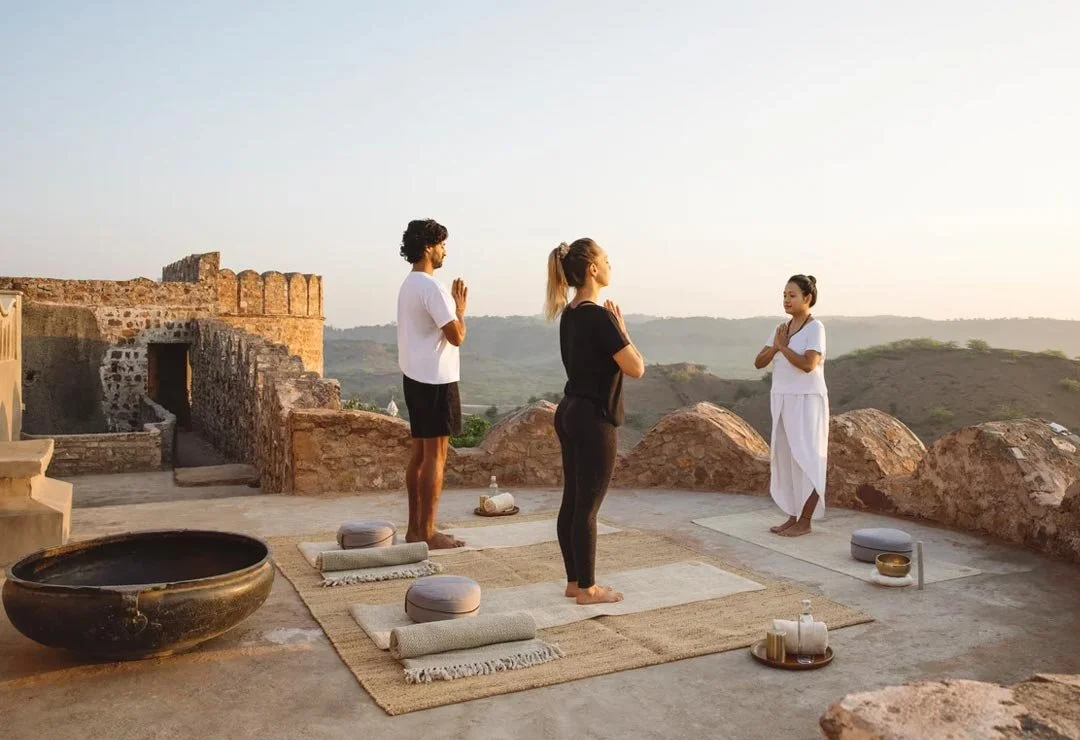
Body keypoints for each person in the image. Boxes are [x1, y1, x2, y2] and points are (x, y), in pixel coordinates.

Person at [545, 238, 645, 604]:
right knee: (587, 507)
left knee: (572, 501)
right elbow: (636, 368)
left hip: (569, 410)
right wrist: (623, 329)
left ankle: (574, 581)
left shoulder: (569, 314)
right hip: (593, 419)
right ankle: (587, 588)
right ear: (592, 269)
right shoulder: (599, 316)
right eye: (606, 259)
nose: (610, 265)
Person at [397, 219, 468, 549]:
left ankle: (415, 529)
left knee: (419, 456)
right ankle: (426, 531)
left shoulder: (408, 285)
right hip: (437, 380)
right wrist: (461, 310)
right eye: (441, 244)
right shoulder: (431, 288)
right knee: (436, 456)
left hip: (414, 377)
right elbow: (456, 337)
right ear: (428, 247)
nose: (444, 251)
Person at [754, 275, 828, 537]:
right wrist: (776, 347)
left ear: (807, 298)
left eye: (792, 295)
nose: (786, 299)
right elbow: (759, 362)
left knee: (806, 457)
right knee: (787, 457)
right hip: (783, 398)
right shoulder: (780, 329)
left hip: (807, 400)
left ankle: (805, 521)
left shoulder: (814, 328)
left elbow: (809, 365)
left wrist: (783, 349)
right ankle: (793, 516)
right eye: (784, 294)